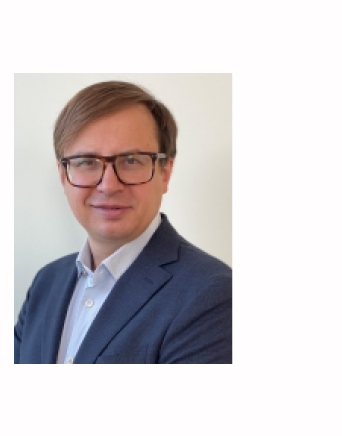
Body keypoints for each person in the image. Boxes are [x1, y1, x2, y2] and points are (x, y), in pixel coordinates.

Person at [14, 80, 232, 364]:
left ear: (165, 172)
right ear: (63, 175)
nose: (108, 185)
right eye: (86, 162)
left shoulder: (211, 294)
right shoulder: (46, 283)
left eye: (131, 160)